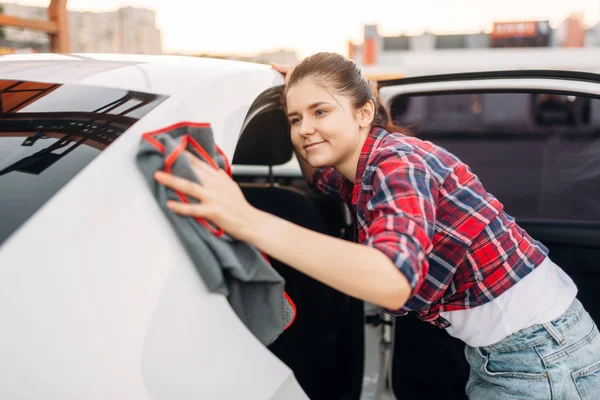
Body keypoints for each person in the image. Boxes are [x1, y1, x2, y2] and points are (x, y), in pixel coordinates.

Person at [153, 52, 600, 398]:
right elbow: (320, 176)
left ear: (365, 112)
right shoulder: (362, 168)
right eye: (294, 118)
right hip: (522, 346)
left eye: (321, 112)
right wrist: (299, 88)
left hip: (540, 356)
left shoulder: (397, 164)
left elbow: (391, 282)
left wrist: (245, 217)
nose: (305, 129)